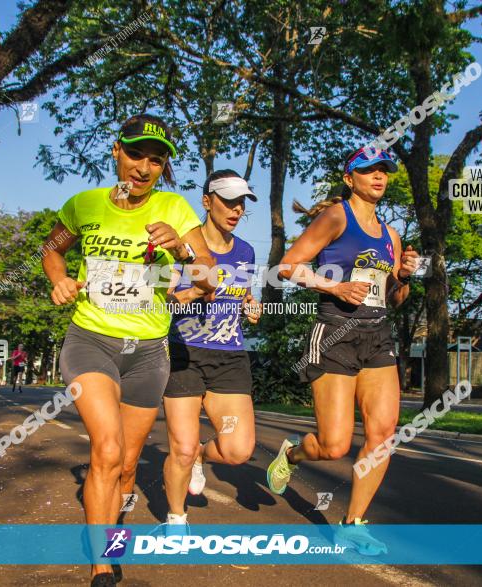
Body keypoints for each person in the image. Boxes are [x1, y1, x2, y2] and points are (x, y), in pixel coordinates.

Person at [41, 113, 216, 587]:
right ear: (117, 150)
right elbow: (51, 249)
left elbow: (209, 276)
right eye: (135, 154)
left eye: (155, 160)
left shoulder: (175, 208)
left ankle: (111, 536)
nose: (143, 167)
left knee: (127, 468)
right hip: (90, 338)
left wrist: (181, 249)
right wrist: (59, 279)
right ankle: (102, 566)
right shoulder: (85, 205)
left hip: (148, 353)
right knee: (108, 448)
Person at [265, 145, 419, 555]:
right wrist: (333, 286)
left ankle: (353, 523)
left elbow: (395, 299)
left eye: (383, 170)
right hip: (334, 333)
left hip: (378, 336)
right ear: (350, 179)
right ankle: (293, 453)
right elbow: (286, 266)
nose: (378, 176)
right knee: (334, 446)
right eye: (368, 170)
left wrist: (402, 276)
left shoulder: (391, 235)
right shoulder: (335, 217)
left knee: (383, 434)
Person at [162, 170, 262, 531]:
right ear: (207, 201)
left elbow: (243, 294)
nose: (236, 209)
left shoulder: (246, 251)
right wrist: (194, 292)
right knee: (181, 449)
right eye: (228, 201)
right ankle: (176, 517)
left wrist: (251, 304)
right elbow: (160, 300)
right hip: (185, 354)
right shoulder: (183, 248)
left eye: (241, 203)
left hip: (229, 358)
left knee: (237, 451)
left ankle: (204, 453)